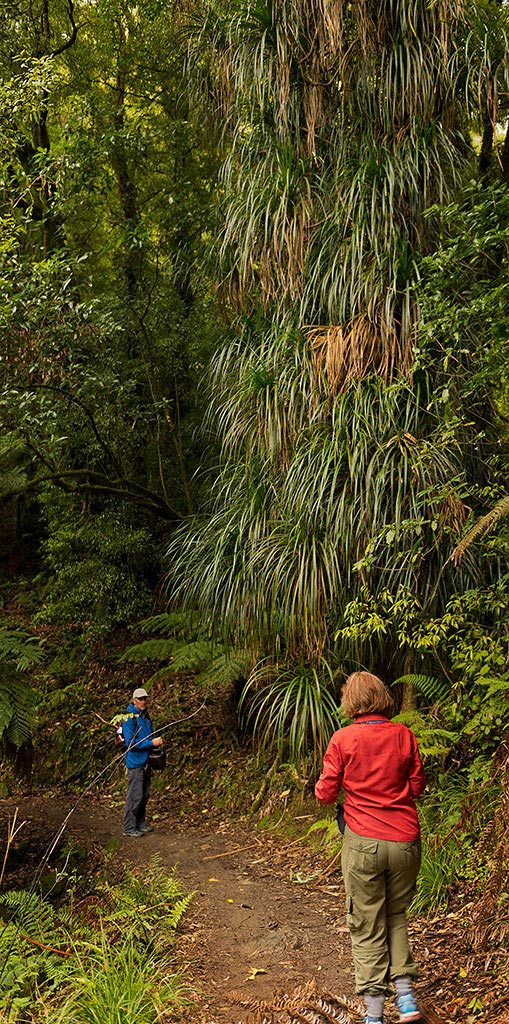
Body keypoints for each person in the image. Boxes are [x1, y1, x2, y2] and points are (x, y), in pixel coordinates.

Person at [314, 671, 426, 1024]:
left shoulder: (343, 739)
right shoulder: (404, 735)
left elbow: (325, 793)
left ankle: (374, 1016)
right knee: (395, 916)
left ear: (351, 701)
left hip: (363, 843)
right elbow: (418, 786)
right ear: (382, 697)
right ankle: (406, 999)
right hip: (405, 841)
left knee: (366, 924)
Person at [122, 687, 163, 838]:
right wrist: (152, 743)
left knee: (144, 794)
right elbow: (131, 744)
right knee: (135, 795)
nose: (143, 701)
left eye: (145, 698)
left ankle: (140, 823)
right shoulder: (128, 718)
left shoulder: (145, 716)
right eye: (140, 699)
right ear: (134, 700)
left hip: (147, 762)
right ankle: (129, 827)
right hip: (135, 763)